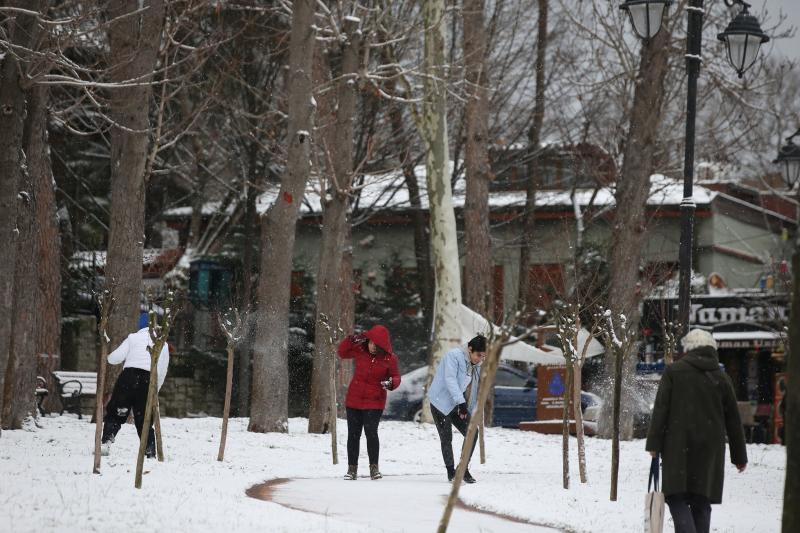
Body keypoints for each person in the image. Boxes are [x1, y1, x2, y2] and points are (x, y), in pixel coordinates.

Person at [645, 328, 747, 533]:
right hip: (710, 450)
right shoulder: (722, 377)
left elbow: (661, 410)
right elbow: (734, 421)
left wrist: (654, 445)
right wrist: (739, 456)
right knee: (701, 499)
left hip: (677, 446)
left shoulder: (673, 372)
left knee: (676, 497)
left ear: (688, 348)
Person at [337, 324, 401, 480]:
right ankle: (352, 469)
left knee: (371, 433)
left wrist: (391, 383)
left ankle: (374, 468)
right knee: (353, 435)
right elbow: (342, 352)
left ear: (382, 345)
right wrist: (352, 339)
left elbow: (396, 377)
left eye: (376, 344)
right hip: (354, 400)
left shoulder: (390, 358)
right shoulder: (360, 350)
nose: (372, 346)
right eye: (370, 342)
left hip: (375, 401)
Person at [101, 318, 170, 458]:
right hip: (147, 381)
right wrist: (155, 389)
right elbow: (162, 370)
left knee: (116, 412)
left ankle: (106, 442)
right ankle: (149, 450)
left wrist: (107, 355)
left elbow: (115, 358)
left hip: (128, 378)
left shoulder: (133, 338)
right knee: (144, 418)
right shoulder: (162, 344)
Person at [427, 334, 487, 483]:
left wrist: (472, 409)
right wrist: (461, 403)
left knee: (472, 432)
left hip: (456, 403)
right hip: (440, 402)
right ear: (470, 349)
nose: (480, 359)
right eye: (478, 355)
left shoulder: (476, 365)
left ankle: (463, 469)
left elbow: (474, 388)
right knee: (447, 437)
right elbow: (450, 379)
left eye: (483, 356)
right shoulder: (453, 356)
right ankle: (450, 472)